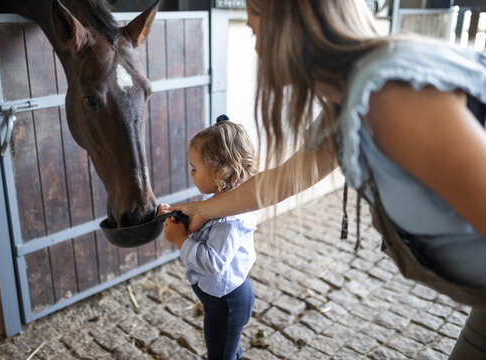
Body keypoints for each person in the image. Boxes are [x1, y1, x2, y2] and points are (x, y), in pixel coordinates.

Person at [169, 1, 486, 358]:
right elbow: (285, 179)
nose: (255, 45)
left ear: (288, 24)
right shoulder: (345, 102)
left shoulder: (387, 96)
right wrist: (202, 209)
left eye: (255, 28)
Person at [158, 116, 258, 360]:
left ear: (218, 172)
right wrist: (176, 214)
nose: (190, 173)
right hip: (220, 301)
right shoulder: (217, 198)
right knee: (229, 350)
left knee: (221, 355)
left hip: (227, 304)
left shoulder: (230, 218)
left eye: (194, 169)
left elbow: (212, 263)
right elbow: (201, 219)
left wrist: (180, 240)